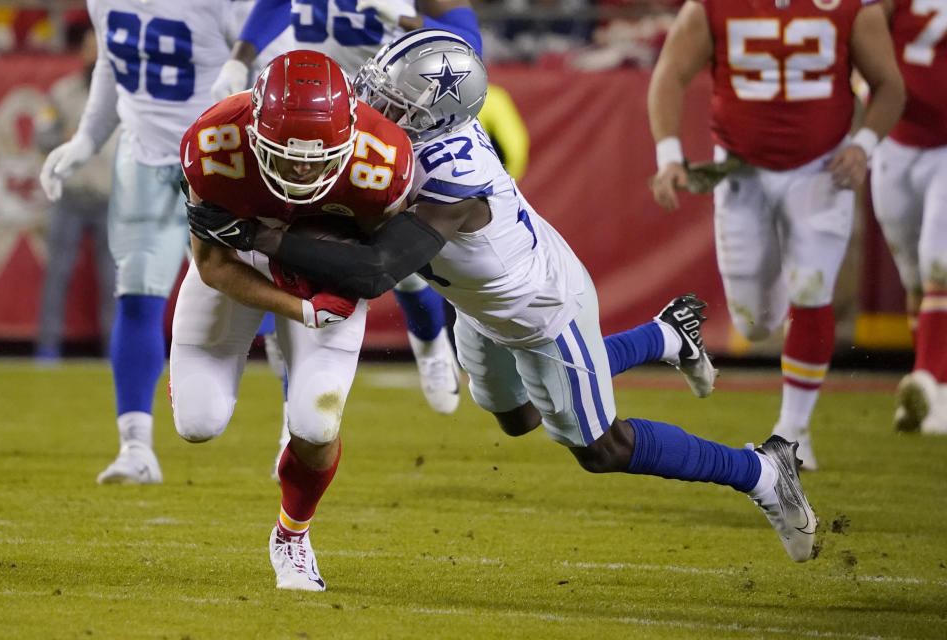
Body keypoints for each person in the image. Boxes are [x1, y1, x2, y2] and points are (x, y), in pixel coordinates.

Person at [188, 30, 819, 566]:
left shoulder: (450, 182)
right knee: (517, 419)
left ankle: (762, 471)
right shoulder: (397, 143)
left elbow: (377, 271)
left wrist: (261, 234)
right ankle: (665, 336)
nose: (370, 102)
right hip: (477, 305)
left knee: (600, 447)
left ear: (438, 116)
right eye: (377, 86)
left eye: (391, 99)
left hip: (540, 311)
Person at [173, 50, 417, 591]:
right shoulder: (214, 144)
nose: (303, 168)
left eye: (318, 156)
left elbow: (380, 264)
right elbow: (212, 264)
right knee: (198, 422)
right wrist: (300, 309)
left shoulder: (384, 161)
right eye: (287, 154)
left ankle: (292, 535)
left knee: (315, 422)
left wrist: (326, 277)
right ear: (255, 130)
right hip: (238, 266)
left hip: (324, 278)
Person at [647, 0, 906, 470]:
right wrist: (669, 154)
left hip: (822, 169)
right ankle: (691, 334)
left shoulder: (851, 6)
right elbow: (669, 71)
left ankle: (793, 431)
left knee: (812, 286)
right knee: (755, 322)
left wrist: (864, 145)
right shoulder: (712, 7)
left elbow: (889, 84)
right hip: (742, 172)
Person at [208, 0, 484, 417]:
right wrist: (239, 57)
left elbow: (469, 49)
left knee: (399, 258)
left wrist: (402, 17)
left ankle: (428, 341)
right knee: (290, 258)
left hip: (384, 117)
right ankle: (292, 416)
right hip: (306, 116)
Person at [38, 0, 259, 484]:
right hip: (142, 157)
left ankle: (294, 430)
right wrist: (88, 141)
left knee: (258, 291)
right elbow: (111, 68)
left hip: (220, 159)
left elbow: (264, 56)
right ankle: (135, 447)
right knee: (135, 295)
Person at [870, 0, 947, 435]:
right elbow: (860, 34)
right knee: (916, 278)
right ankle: (936, 395)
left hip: (945, 146)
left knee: (941, 264)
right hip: (896, 144)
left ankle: (926, 380)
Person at [34, 26, 115, 361]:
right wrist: (65, 136)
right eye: (90, 49)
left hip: (111, 199)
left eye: (100, 50)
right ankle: (47, 349)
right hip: (69, 198)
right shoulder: (62, 92)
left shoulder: (121, 97)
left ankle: (114, 351)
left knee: (114, 282)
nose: (95, 56)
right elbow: (42, 137)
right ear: (81, 52)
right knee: (57, 276)